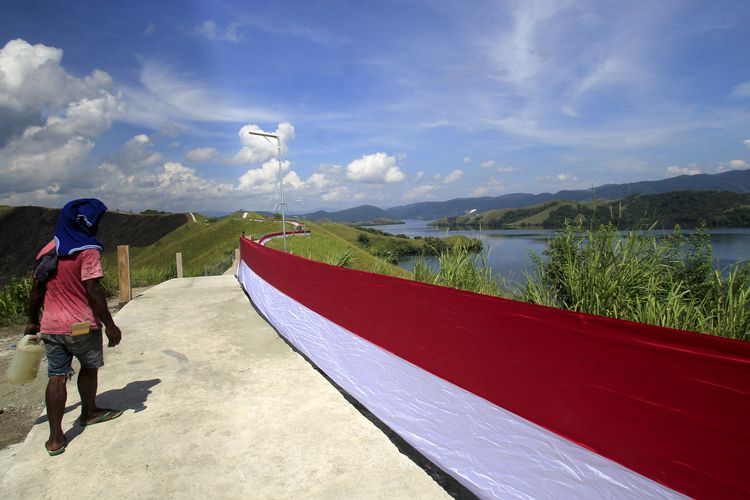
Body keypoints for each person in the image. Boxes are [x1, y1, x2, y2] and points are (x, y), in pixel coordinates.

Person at [26, 198, 123, 456]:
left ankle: (56, 437)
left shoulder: (49, 249)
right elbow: (93, 290)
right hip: (81, 325)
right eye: (97, 221)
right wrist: (110, 325)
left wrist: (33, 320)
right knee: (89, 368)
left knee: (56, 376)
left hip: (52, 327)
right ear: (87, 223)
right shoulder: (87, 251)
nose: (98, 226)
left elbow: (36, 292)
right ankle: (89, 412)